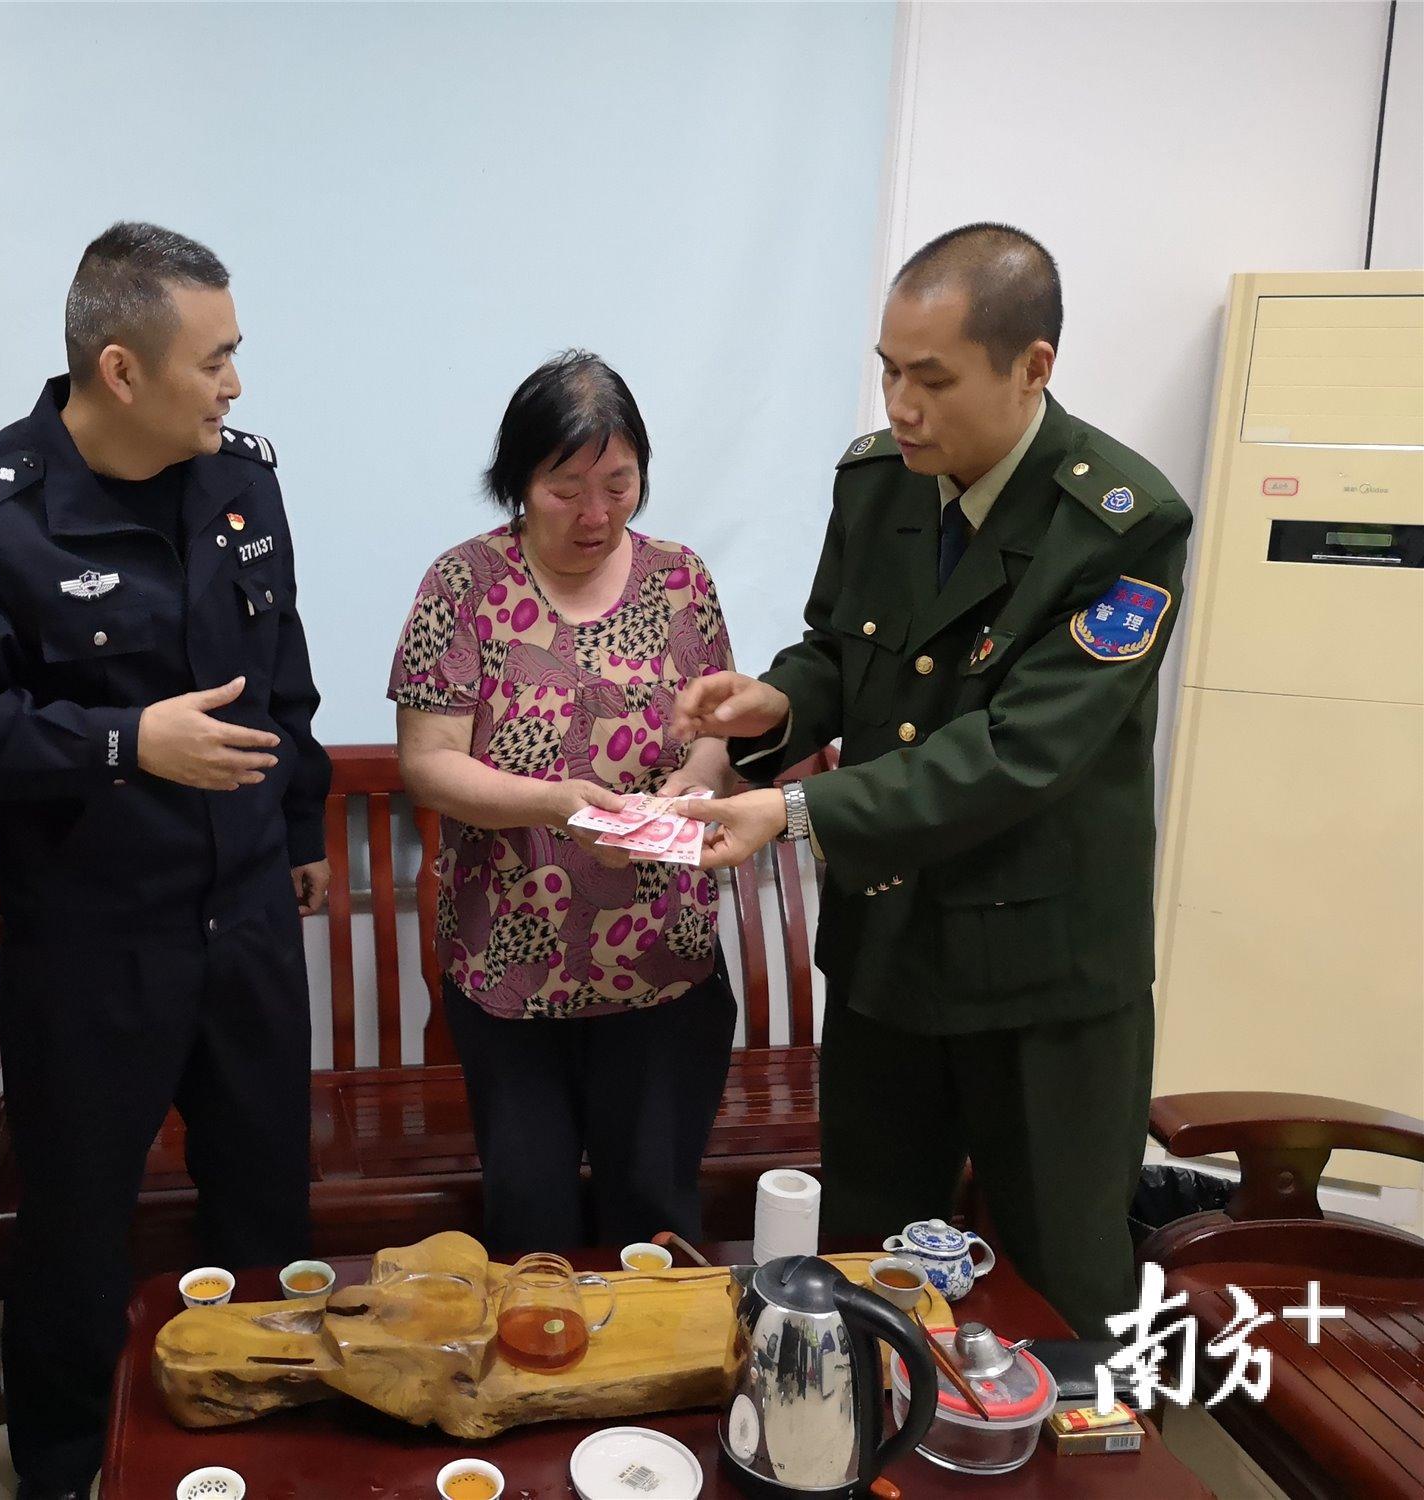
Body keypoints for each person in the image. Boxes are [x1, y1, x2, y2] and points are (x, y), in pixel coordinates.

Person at [672, 224, 1191, 1336]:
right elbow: (840, 649)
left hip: (1041, 981)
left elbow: (1015, 749)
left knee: (1064, 1284)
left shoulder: (1120, 522)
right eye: (887, 371)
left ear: (1031, 368)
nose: (901, 407)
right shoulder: (880, 484)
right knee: (865, 1267)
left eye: (933, 379)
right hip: (890, 951)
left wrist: (793, 809)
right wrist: (778, 705)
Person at [0, 222, 330, 1499]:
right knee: (76, 1232)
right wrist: (126, 743)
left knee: (266, 1206)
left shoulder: (238, 483)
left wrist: (300, 825)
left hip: (244, 920)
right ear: (122, 370)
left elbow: (281, 668)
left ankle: (263, 1448)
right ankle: (67, 1467)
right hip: (92, 942)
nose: (236, 383)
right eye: (214, 358)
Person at [390, 350, 742, 1255]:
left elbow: (715, 732)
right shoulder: (462, 585)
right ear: (518, 482)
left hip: (662, 964)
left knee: (655, 1220)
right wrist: (559, 805)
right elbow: (428, 763)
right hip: (514, 971)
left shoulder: (682, 580)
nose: (597, 514)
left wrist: (687, 791)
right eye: (566, 489)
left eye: (619, 485)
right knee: (531, 1229)